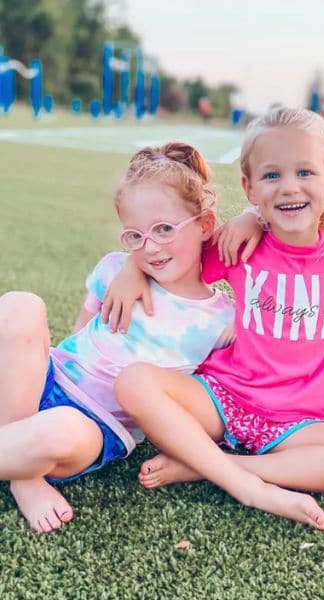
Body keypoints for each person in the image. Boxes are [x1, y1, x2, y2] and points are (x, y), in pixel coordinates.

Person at [107, 107, 324, 528]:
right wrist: (130, 269)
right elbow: (173, 255)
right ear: (250, 187)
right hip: (223, 399)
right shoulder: (237, 245)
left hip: (301, 424)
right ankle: (236, 477)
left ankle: (212, 466)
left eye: (305, 173)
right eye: (272, 176)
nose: (289, 187)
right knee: (133, 382)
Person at [0, 142, 241, 533]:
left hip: (94, 424)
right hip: (42, 381)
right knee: (20, 305)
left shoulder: (222, 320)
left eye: (165, 229)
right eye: (135, 236)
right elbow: (78, 332)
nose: (151, 247)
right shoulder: (115, 268)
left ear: (205, 225)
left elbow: (207, 398)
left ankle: (22, 466)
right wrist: (130, 267)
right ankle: (23, 474)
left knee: (58, 429)